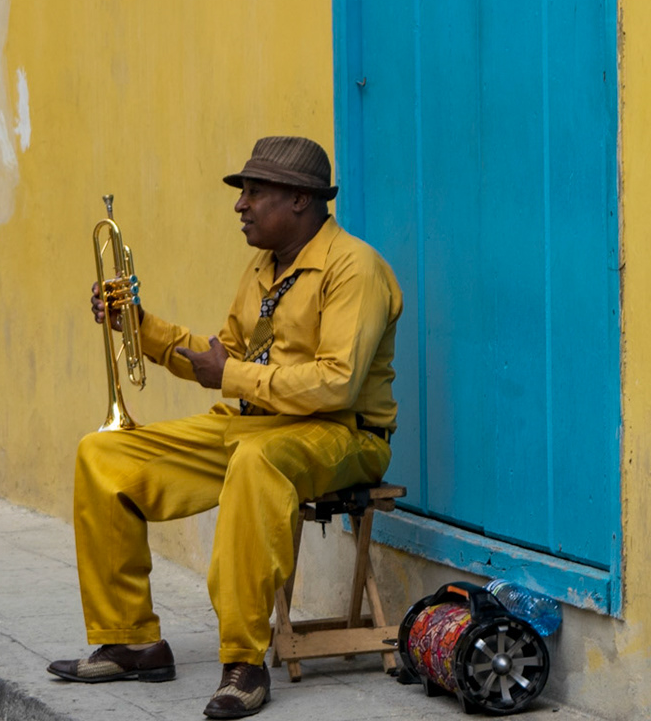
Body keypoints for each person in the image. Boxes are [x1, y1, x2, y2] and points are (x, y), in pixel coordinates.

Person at [50, 136, 404, 720]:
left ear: (299, 199)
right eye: (244, 193)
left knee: (254, 465)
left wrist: (233, 374)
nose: (241, 205)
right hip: (253, 425)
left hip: (342, 434)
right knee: (103, 454)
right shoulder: (264, 266)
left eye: (254, 192)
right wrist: (138, 326)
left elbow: (337, 383)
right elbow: (225, 357)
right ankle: (132, 639)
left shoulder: (354, 268)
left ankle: (244, 660)